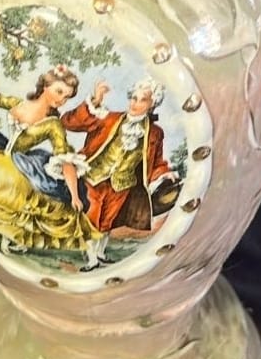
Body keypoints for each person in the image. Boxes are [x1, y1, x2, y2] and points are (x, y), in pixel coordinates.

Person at [0, 46, 101, 268]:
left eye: (67, 97)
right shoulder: (18, 104)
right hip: (3, 154)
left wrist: (74, 196)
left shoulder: (53, 124)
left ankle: (83, 251)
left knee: (36, 201)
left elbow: (65, 161)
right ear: (46, 86)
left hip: (22, 166)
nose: (62, 100)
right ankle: (10, 237)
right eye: (59, 92)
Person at [61, 77, 179, 265]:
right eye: (133, 98)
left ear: (152, 104)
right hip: (94, 177)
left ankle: (100, 254)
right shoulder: (109, 118)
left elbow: (155, 162)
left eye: (142, 100)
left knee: (107, 222)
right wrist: (95, 101)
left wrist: (165, 173)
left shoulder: (155, 133)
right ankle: (91, 260)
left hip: (122, 185)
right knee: (92, 219)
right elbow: (69, 122)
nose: (135, 103)